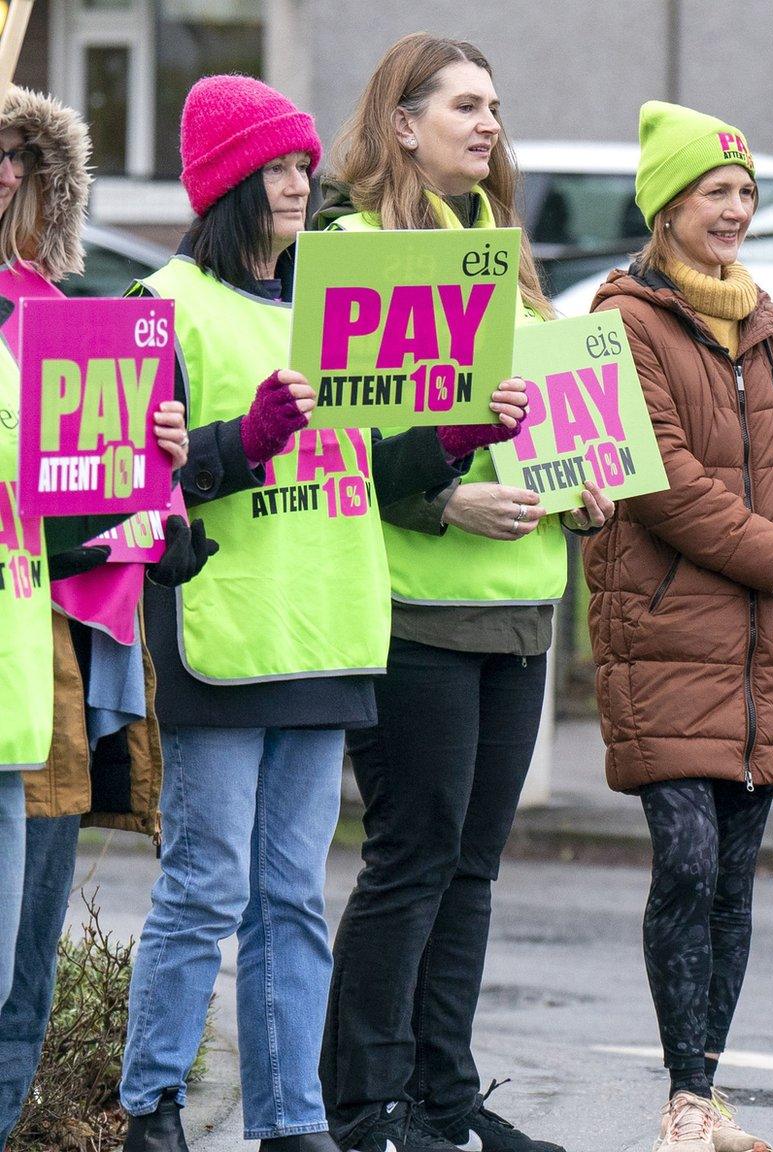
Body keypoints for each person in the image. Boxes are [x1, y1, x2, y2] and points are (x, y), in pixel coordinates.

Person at [118, 76, 526, 1152]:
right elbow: (132, 488)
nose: (300, 183)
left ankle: (292, 1119)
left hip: (328, 631)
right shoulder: (160, 305)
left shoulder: (330, 302)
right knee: (206, 888)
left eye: (303, 164)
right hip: (227, 633)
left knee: (293, 897)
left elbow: (372, 464)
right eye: (276, 169)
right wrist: (238, 444)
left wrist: (453, 437)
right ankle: (152, 1103)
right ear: (225, 187)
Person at [315, 34, 608, 1152]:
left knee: (472, 872)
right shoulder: (349, 251)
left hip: (520, 604)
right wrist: (442, 507)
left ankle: (444, 1098)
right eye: (464, 106)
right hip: (413, 607)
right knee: (412, 859)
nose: (489, 125)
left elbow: (550, 421)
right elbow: (337, 448)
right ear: (401, 122)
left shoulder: (497, 249)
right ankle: (367, 1105)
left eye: (495, 107)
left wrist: (587, 491)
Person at [584, 102, 773, 1152]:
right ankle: (685, 1090)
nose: (734, 210)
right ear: (667, 207)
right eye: (713, 194)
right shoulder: (624, 323)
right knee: (685, 859)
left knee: (733, 880)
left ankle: (704, 1095)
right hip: (665, 636)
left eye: (744, 194)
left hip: (761, 648)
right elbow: (664, 487)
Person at [0, 84, 206, 1147]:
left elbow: (101, 501)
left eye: (11, 154)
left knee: (24, 965)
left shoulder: (59, 311)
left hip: (49, 668)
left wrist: (158, 474)